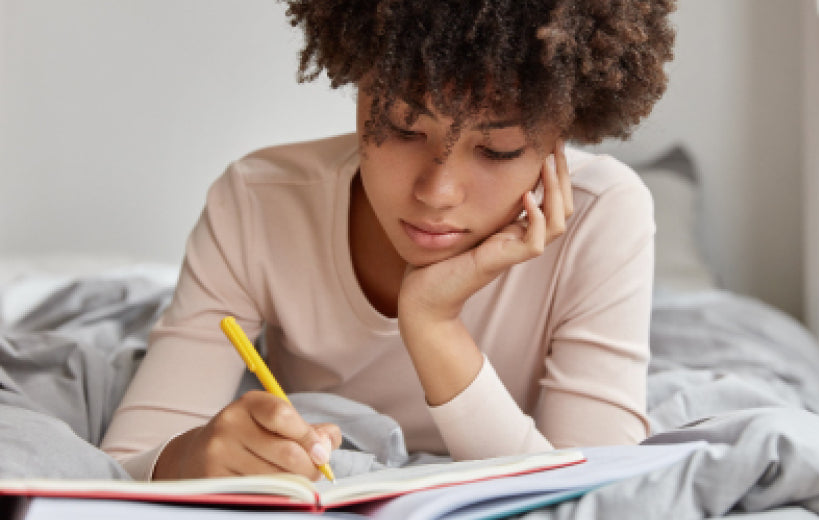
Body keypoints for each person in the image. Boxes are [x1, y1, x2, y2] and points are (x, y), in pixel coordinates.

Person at [101, 0, 676, 481]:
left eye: (498, 150)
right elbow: (120, 467)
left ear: (562, 135)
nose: (437, 191)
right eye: (402, 128)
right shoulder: (258, 204)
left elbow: (601, 495)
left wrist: (432, 322)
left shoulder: (604, 217)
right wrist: (186, 458)